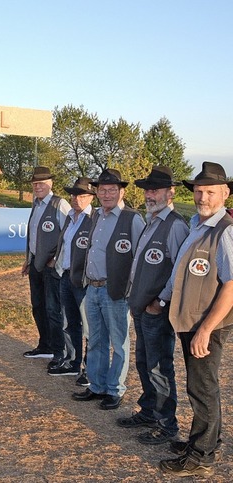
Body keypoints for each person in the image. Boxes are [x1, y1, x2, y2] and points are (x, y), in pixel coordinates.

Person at [157, 162, 233, 478]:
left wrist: (205, 329)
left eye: (210, 192)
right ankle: (204, 440)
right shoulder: (198, 224)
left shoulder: (224, 231)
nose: (203, 197)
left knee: (202, 388)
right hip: (192, 320)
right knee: (201, 385)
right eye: (199, 191)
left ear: (225, 194)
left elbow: (231, 284)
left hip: (207, 324)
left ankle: (201, 455)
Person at [116, 166, 189, 445]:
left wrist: (160, 301)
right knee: (145, 362)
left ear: (170, 193)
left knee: (160, 367)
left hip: (156, 309)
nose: (149, 194)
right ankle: (149, 412)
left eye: (155, 189)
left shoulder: (175, 225)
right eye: (147, 189)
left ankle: (167, 424)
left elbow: (179, 272)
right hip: (142, 306)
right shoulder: (152, 220)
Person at [72, 169, 144, 410]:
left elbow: (138, 257)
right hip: (93, 288)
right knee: (95, 340)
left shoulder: (132, 218)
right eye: (102, 189)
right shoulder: (96, 217)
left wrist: (131, 290)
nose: (106, 194)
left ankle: (115, 389)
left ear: (121, 191)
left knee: (119, 342)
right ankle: (97, 385)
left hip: (116, 290)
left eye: (112, 189)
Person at [21, 166, 71, 367]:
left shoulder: (60, 204)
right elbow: (33, 235)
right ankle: (45, 345)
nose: (37, 186)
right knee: (38, 306)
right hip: (36, 264)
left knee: (53, 309)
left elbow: (69, 234)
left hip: (52, 267)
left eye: (41, 183)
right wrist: (28, 258)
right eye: (35, 184)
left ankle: (60, 351)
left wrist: (56, 259)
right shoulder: (36, 204)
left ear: (50, 183)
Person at [52, 177, 95, 381]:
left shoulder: (94, 218)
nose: (76, 199)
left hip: (84, 280)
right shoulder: (70, 217)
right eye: (74, 195)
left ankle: (89, 369)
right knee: (68, 322)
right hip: (66, 275)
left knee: (88, 327)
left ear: (90, 198)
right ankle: (73, 361)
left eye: (82, 195)